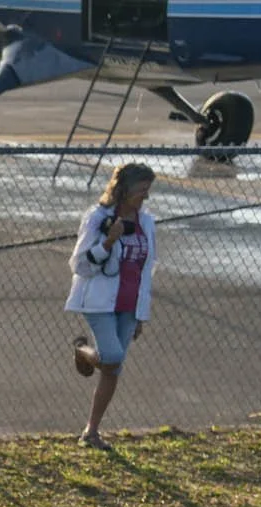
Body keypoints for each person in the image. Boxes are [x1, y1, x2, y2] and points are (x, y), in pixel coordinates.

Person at [68, 161, 157, 449]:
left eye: (148, 190)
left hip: (129, 304)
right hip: (99, 302)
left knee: (112, 368)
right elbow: (79, 264)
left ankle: (91, 431)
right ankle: (82, 351)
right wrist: (107, 243)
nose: (146, 196)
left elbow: (147, 269)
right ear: (123, 189)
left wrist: (141, 314)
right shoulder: (97, 217)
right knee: (112, 357)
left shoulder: (147, 223)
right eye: (141, 190)